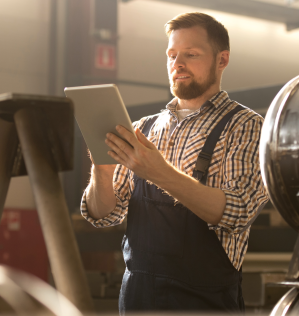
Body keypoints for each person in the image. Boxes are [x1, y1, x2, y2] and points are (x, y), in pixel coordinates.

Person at [80, 12, 269, 313]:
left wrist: (157, 171)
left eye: (191, 54)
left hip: (203, 303)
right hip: (137, 299)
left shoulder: (245, 126)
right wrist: (101, 172)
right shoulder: (144, 129)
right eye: (171, 55)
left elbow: (238, 211)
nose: (177, 64)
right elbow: (104, 215)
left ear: (222, 60)